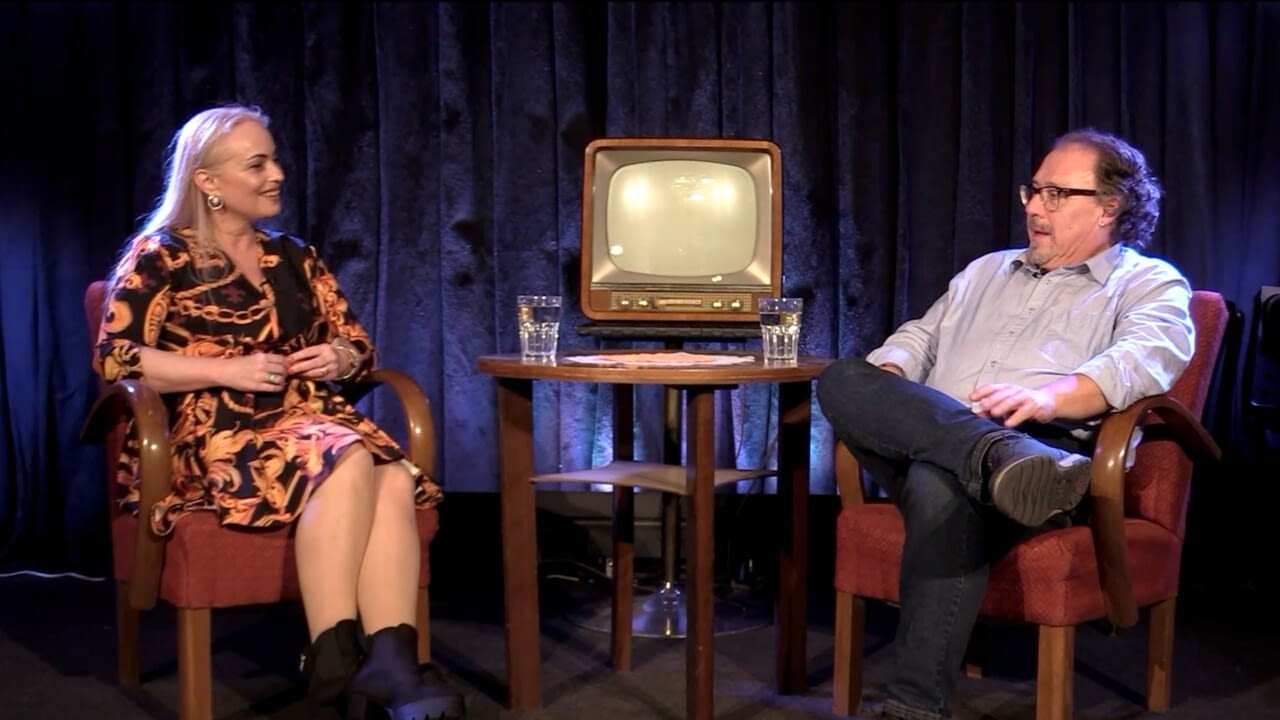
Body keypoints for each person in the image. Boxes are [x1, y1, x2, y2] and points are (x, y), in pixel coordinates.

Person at [94, 104, 464, 720]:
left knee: (393, 475)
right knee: (350, 455)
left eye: (275, 161)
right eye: (257, 164)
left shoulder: (294, 255)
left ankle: (391, 664)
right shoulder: (160, 255)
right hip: (214, 432)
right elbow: (116, 359)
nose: (278, 175)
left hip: (309, 419)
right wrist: (225, 370)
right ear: (207, 181)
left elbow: (357, 344)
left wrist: (338, 356)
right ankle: (333, 663)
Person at [816, 128, 1194, 720]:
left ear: (1109, 207)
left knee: (939, 485)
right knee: (843, 377)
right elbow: (921, 337)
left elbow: (1141, 361)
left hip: (1046, 457)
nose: (1035, 207)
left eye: (1056, 194)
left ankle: (914, 709)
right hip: (938, 435)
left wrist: (1045, 398)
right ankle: (990, 454)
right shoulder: (986, 271)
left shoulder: (1149, 283)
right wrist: (890, 377)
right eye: (1033, 190)